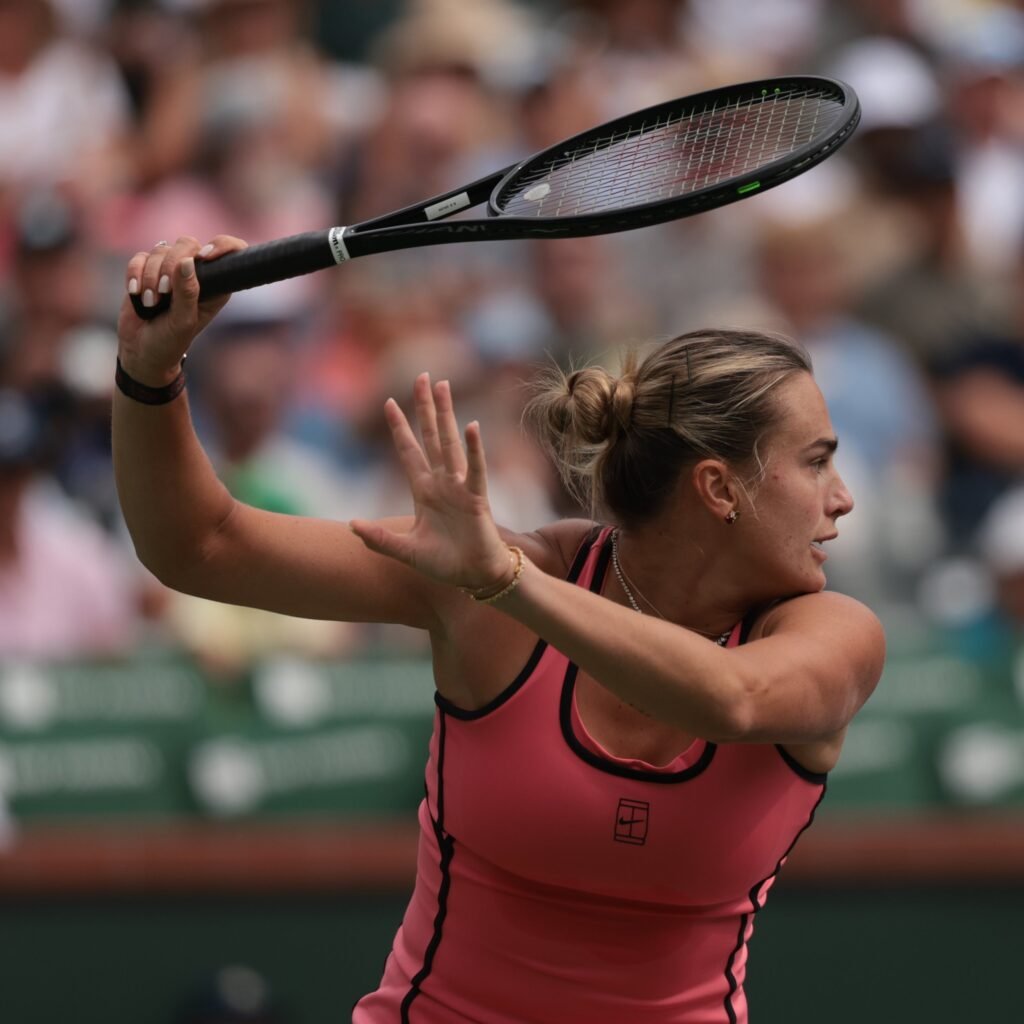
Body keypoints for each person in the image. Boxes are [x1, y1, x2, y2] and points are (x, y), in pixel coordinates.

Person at [113, 236, 885, 1024]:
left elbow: (734, 699)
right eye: (818, 461)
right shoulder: (488, 582)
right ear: (721, 488)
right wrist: (150, 371)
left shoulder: (836, 634)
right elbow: (200, 547)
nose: (844, 496)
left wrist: (505, 585)